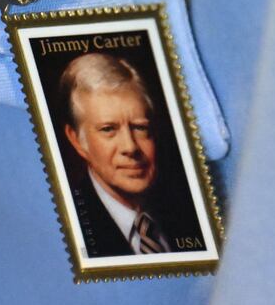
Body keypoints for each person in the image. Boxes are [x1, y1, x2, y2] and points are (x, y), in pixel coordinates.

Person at [60, 53, 193, 257]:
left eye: (140, 127)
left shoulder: (184, 213)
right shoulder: (73, 227)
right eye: (108, 129)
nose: (130, 147)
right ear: (77, 140)